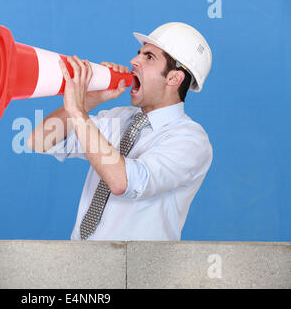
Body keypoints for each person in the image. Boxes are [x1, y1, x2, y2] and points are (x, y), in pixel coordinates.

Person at [27, 22, 213, 241]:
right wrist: (90, 99)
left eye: (149, 57)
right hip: (79, 262)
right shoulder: (119, 117)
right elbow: (39, 140)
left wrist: (78, 112)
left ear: (174, 78)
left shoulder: (190, 140)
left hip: (138, 270)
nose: (134, 61)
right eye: (139, 53)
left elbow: (123, 182)